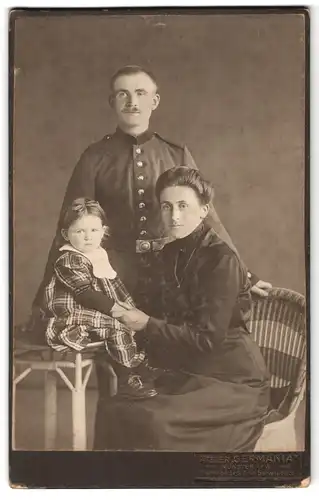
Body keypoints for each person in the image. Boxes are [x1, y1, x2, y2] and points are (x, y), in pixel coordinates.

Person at [32, 64, 271, 319]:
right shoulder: (94, 158)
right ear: (112, 102)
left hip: (172, 274)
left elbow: (208, 218)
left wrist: (243, 273)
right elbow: (71, 225)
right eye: (123, 94)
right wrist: (45, 295)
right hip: (112, 275)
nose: (132, 101)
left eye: (141, 93)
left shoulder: (176, 154)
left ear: (154, 101)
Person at [93, 167, 271, 452]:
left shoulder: (221, 260)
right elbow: (149, 310)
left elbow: (207, 339)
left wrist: (146, 324)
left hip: (234, 382)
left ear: (204, 210)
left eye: (183, 206)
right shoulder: (168, 254)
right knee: (114, 409)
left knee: (153, 422)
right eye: (166, 206)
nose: (174, 216)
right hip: (191, 373)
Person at [42, 197, 157, 399]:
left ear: (104, 231)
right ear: (65, 234)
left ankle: (141, 369)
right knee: (117, 326)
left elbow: (114, 289)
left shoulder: (99, 255)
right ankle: (126, 378)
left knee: (137, 323)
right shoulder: (68, 259)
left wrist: (130, 310)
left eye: (94, 231)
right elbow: (86, 294)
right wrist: (120, 313)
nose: (88, 237)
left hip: (96, 312)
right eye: (79, 231)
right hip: (74, 314)